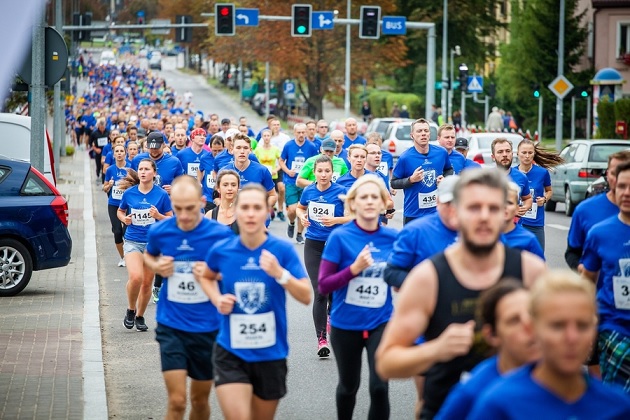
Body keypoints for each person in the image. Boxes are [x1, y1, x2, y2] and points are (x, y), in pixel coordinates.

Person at [376, 169, 546, 418]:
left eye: (493, 208)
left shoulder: (531, 271)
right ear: (457, 212)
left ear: (507, 213)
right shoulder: (427, 277)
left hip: (514, 409)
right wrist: (436, 349)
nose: (484, 217)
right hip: (445, 408)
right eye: (474, 207)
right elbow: (386, 362)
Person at [194, 184, 312, 420]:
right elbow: (205, 277)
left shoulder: (282, 250)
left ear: (267, 212)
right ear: (235, 211)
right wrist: (217, 299)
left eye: (256, 208)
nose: (250, 213)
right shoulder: (222, 250)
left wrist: (281, 274)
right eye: (244, 207)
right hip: (230, 350)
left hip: (270, 353)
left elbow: (306, 295)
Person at [468, 270, 630, 418]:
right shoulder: (499, 405)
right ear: (532, 329)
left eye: (582, 325)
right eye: (557, 326)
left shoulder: (617, 407)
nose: (572, 338)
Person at [143, 176, 233, 420]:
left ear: (202, 202)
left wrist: (214, 274)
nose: (183, 215)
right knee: (178, 401)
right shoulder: (160, 231)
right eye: (177, 208)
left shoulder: (220, 234)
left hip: (209, 328)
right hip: (171, 325)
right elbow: (148, 257)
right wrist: (157, 265)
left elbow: (235, 272)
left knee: (199, 401)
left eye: (190, 208)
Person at [319, 174, 398, 420]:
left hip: (381, 323)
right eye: (364, 197)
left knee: (379, 386)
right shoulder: (340, 237)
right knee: (348, 386)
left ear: (384, 202)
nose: (370, 202)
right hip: (346, 324)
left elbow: (410, 277)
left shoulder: (393, 238)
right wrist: (353, 269)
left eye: (375, 197)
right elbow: (323, 285)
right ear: (353, 203)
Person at [436, 279, 540, 419]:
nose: (529, 327)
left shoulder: (567, 375)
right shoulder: (473, 392)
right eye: (514, 320)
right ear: (491, 335)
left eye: (532, 315)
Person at [581, 160, 630, 392]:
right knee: (617, 400)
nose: (626, 193)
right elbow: (587, 280)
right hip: (614, 329)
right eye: (621, 186)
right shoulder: (599, 233)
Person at [296, 156, 349, 357]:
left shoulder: (341, 192)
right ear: (314, 172)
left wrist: (336, 220)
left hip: (335, 246)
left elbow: (354, 216)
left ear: (331, 172)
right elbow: (301, 208)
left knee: (334, 290)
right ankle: (321, 339)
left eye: (327, 171)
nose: (324, 174)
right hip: (314, 245)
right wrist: (302, 217)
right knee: (320, 290)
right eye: (320, 171)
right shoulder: (309, 191)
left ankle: (331, 315)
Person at [117, 159, 173, 331]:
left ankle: (140, 316)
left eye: (146, 169)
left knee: (147, 283)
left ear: (154, 173)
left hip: (153, 244)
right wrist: (124, 219)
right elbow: (121, 211)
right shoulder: (130, 193)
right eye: (140, 169)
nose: (142, 172)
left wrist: (158, 216)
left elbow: (171, 218)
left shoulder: (161, 195)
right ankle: (131, 309)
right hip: (133, 241)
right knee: (136, 277)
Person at [565, 150, 630, 270]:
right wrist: (585, 271)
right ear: (607, 174)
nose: (619, 178)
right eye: (615, 173)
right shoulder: (585, 210)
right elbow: (572, 252)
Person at [391, 118, 454, 225]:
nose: (423, 134)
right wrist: (411, 180)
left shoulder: (441, 152)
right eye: (419, 131)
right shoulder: (405, 158)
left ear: (430, 134)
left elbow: (449, 169)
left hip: (436, 212)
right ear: (412, 135)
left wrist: (444, 178)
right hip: (413, 214)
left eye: (426, 131)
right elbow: (394, 183)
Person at [517, 139, 562, 251]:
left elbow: (549, 191)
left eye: (530, 153)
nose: (527, 156)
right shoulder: (512, 173)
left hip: (536, 223)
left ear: (534, 154)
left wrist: (544, 199)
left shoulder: (542, 173)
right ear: (517, 153)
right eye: (524, 152)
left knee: (538, 257)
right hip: (517, 223)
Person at [279, 123, 318, 244]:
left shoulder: (311, 146)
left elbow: (315, 163)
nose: (301, 135)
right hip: (291, 181)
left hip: (305, 182)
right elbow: (281, 161)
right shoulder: (289, 145)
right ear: (294, 132)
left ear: (306, 132)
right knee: (292, 210)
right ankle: (291, 223)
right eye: (299, 132)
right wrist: (287, 171)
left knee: (303, 210)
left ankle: (300, 233)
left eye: (303, 132)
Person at [223, 134, 277, 209]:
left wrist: (260, 208)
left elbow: (272, 195)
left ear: (250, 150)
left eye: (245, 148)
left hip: (256, 218)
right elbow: (218, 197)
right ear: (232, 149)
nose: (242, 151)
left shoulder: (262, 170)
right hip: (232, 217)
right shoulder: (224, 172)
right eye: (238, 148)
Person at [102, 143, 131, 267]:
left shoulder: (130, 168)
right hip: (113, 204)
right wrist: (110, 184)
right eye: (117, 151)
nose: (119, 153)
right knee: (117, 232)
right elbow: (104, 188)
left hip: (127, 204)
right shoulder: (110, 170)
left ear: (125, 153)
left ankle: (131, 255)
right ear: (113, 154)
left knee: (126, 231)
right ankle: (123, 257)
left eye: (121, 151)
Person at [503, 182, 546, 260]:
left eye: (509, 203)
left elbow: (541, 269)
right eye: (500, 202)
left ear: (517, 208)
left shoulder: (528, 240)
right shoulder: (483, 236)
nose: (505, 207)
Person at [491, 138, 532, 217]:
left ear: (512, 154)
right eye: (500, 152)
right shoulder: (485, 178)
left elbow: (527, 198)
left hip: (514, 226)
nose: (505, 154)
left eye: (508, 151)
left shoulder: (522, 177)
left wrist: (525, 207)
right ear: (493, 156)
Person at [254, 129, 282, 219]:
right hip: (261, 176)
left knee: (272, 194)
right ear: (262, 137)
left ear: (271, 137)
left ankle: (270, 208)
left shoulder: (275, 149)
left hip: (272, 175)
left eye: (268, 136)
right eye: (264, 136)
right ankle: (265, 211)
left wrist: (276, 169)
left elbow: (281, 161)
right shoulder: (258, 150)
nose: (266, 138)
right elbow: (253, 162)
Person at [205, 169, 240, 234]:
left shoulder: (246, 214)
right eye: (225, 185)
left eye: (233, 185)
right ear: (218, 188)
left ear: (238, 188)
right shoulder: (210, 215)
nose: (230, 188)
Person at [89, 117, 110, 182]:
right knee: (98, 164)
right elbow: (90, 143)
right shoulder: (94, 133)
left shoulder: (108, 132)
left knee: (104, 164)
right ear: (98, 126)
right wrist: (95, 149)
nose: (102, 129)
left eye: (103, 127)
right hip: (98, 151)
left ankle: (103, 177)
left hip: (106, 151)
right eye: (101, 127)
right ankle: (97, 175)